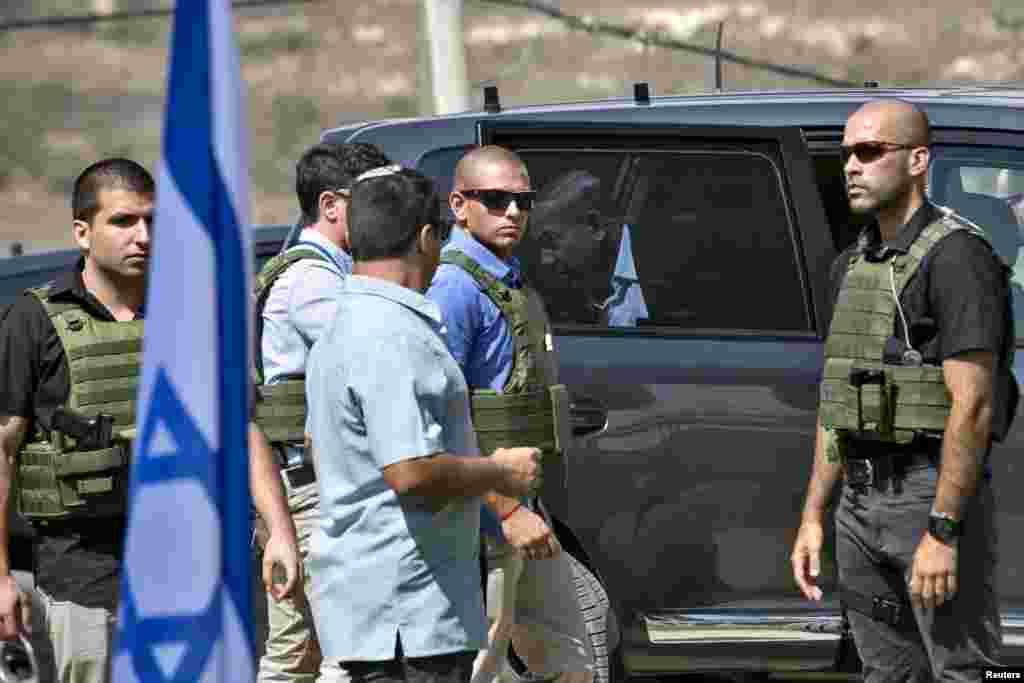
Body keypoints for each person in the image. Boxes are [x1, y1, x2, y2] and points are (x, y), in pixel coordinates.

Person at [0, 158, 299, 683]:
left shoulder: (191, 314)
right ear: (82, 232)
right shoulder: (33, 320)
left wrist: (279, 530)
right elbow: (3, 452)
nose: (143, 235)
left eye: (153, 221)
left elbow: (240, 426)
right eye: (123, 221)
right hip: (83, 576)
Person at [791, 101, 1017, 682]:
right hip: (859, 505)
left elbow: (973, 406)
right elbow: (836, 400)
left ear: (918, 161)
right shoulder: (852, 266)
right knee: (886, 673)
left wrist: (943, 530)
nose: (851, 166)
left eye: (870, 151)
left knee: (963, 671)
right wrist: (814, 514)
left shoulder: (958, 259)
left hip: (927, 493)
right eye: (847, 153)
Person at [304, 166, 543, 683]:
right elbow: (409, 472)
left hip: (390, 610)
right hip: (408, 618)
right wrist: (497, 472)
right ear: (426, 238)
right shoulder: (390, 336)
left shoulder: (349, 325)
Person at [426, 147, 595, 683]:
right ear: (459, 205)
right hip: (482, 515)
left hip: (524, 504)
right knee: (484, 664)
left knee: (572, 660)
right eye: (495, 200)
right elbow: (444, 419)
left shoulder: (506, 276)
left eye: (522, 201)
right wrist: (504, 510)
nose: (514, 213)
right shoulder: (454, 287)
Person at [252, 141, 395, 683]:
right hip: (315, 493)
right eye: (375, 199)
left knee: (298, 653)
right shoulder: (313, 280)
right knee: (341, 649)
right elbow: (372, 354)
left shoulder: (320, 273)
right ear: (334, 206)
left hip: (306, 491)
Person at [529, 170, 647, 327]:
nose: (546, 259)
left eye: (552, 241)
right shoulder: (572, 291)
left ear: (594, 226)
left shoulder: (656, 269)